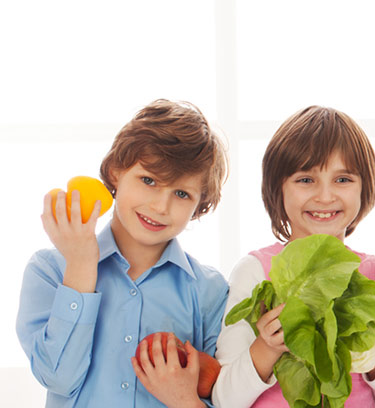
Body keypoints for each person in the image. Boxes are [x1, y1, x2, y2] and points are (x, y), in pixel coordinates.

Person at [17, 99, 229, 408]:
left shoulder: (210, 291)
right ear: (116, 173)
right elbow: (58, 378)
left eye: (181, 194)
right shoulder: (49, 270)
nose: (160, 206)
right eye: (149, 180)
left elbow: (225, 393)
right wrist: (81, 266)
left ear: (200, 205)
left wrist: (184, 399)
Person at [212, 106, 375, 407]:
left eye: (343, 180)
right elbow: (224, 400)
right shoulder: (255, 272)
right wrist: (267, 347)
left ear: (365, 188)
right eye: (305, 180)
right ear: (278, 189)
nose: (325, 196)